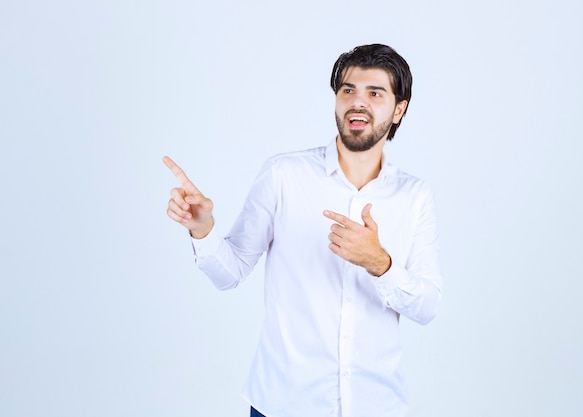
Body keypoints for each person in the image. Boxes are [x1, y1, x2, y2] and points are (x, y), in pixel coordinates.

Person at [164, 43, 443, 417]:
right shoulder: (284, 175)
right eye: (348, 90)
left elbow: (427, 306)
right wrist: (203, 228)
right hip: (283, 403)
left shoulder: (414, 195)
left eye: (374, 93)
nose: (357, 102)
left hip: (377, 406)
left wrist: (380, 263)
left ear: (398, 109)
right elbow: (229, 273)